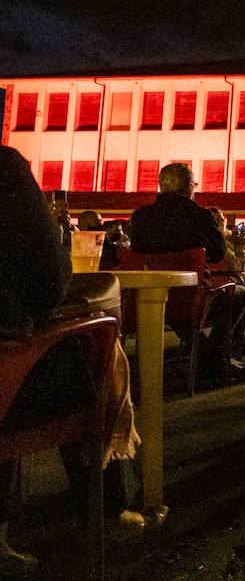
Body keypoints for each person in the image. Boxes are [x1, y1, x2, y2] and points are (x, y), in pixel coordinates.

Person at [0, 147, 142, 573]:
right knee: (86, 349)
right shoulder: (4, 172)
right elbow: (48, 281)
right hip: (8, 384)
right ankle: (108, 504)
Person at [128, 163, 245, 385]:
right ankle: (214, 359)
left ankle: (209, 359)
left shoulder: (140, 217)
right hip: (191, 297)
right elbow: (218, 254)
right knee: (241, 294)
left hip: (149, 297)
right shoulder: (200, 216)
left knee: (177, 308)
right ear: (189, 188)